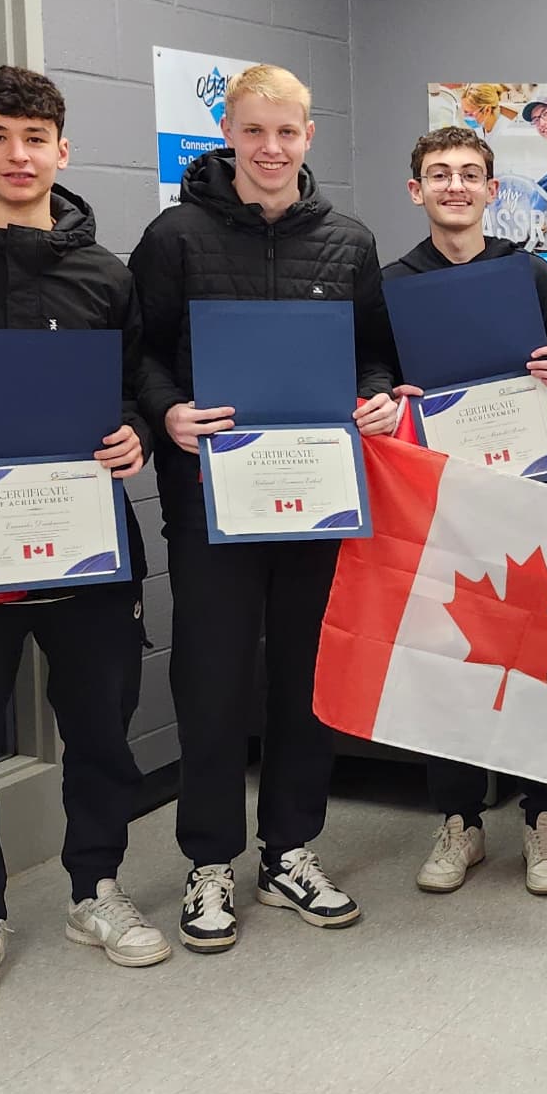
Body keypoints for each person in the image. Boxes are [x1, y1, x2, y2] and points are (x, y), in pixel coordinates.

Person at [128, 64, 400, 953]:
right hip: (210, 498)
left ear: (308, 136)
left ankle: (291, 850)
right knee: (209, 680)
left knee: (306, 678)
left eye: (287, 132)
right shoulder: (174, 236)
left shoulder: (350, 242)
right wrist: (168, 410)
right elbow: (142, 356)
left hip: (319, 498)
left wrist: (375, 399)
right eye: (254, 132)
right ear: (230, 135)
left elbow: (374, 357)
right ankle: (210, 862)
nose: (271, 148)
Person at [0, 66, 169, 1009]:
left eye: (35, 140)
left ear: (62, 151)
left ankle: (95, 892)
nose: (17, 156)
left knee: (100, 730)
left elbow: (138, 386)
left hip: (86, 551)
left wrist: (135, 434)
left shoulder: (105, 274)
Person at [385, 126, 547, 896]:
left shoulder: (526, 272)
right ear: (418, 191)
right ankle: (460, 820)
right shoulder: (393, 282)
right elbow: (373, 371)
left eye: (471, 174)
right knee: (450, 655)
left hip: (530, 490)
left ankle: (543, 818)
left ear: (493, 189)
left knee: (537, 656)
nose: (457, 186)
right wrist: (386, 391)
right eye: (440, 175)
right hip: (444, 500)